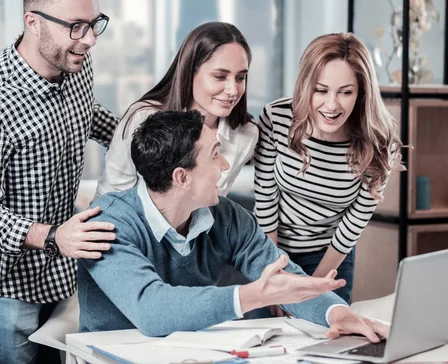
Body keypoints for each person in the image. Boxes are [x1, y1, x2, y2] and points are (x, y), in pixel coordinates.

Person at [78, 110, 388, 343]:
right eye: (214, 156)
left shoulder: (224, 216)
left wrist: (339, 314)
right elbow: (152, 310)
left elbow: (283, 278)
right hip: (116, 354)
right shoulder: (108, 222)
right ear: (182, 178)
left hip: (188, 350)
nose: (225, 165)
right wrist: (255, 295)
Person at [0, 0, 118, 362]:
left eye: (95, 24)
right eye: (77, 26)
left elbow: (86, 114)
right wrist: (55, 237)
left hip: (61, 271)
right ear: (33, 22)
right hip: (7, 284)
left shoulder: (75, 63)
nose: (90, 40)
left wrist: (136, 135)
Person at [254, 33, 404, 305]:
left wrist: (314, 286)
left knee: (324, 338)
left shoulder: (380, 142)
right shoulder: (276, 118)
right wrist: (276, 276)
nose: (332, 105)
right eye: (321, 90)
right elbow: (265, 200)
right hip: (270, 251)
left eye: (345, 92)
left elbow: (353, 223)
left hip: (330, 257)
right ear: (305, 86)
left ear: (362, 92)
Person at [94, 21, 258, 199]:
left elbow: (213, 204)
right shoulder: (143, 118)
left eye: (241, 78)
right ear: (190, 71)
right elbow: (110, 199)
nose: (233, 90)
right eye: (220, 77)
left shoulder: (246, 134)